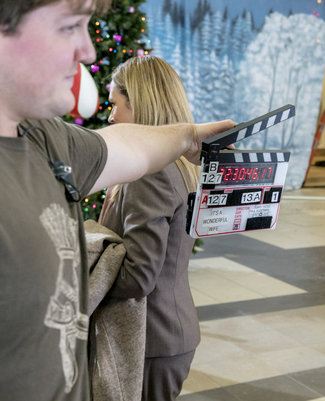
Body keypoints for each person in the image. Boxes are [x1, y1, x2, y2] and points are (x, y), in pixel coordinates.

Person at [0, 1, 234, 400]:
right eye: (69, 26)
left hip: (158, 338)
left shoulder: (45, 138)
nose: (87, 51)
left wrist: (187, 136)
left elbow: (121, 146)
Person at [97, 55, 200, 401]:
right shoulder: (174, 163)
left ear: (140, 104)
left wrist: (86, 277)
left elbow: (139, 275)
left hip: (152, 339)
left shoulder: (150, 172)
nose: (111, 117)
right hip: (163, 333)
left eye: (116, 105)